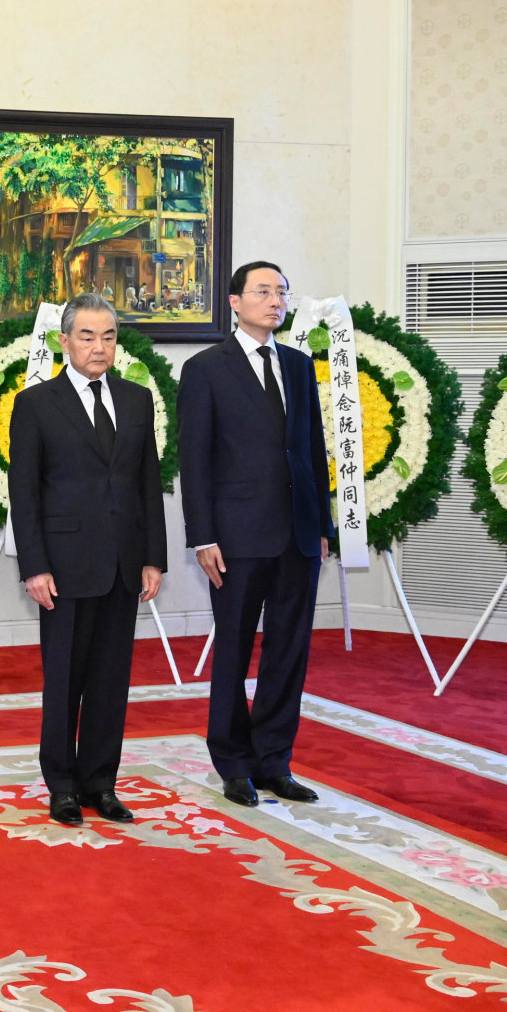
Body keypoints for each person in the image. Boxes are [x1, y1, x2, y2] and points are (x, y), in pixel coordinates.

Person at [6, 293, 165, 827]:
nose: (99, 348)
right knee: (64, 680)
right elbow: (23, 492)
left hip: (123, 565)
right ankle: (63, 786)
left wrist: (153, 559)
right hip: (64, 564)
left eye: (109, 337)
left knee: (110, 680)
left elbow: (148, 486)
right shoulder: (36, 404)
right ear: (64, 341)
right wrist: (34, 565)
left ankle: (102, 782)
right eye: (87, 336)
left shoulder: (138, 399)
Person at [178, 261, 332, 808]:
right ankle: (234, 764)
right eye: (263, 292)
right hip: (237, 537)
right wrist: (203, 536)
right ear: (235, 302)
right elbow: (193, 460)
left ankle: (275, 762)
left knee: (289, 653)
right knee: (235, 652)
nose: (275, 301)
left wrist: (322, 526)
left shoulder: (297, 364)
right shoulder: (205, 369)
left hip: (297, 535)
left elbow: (312, 451)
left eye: (282, 292)